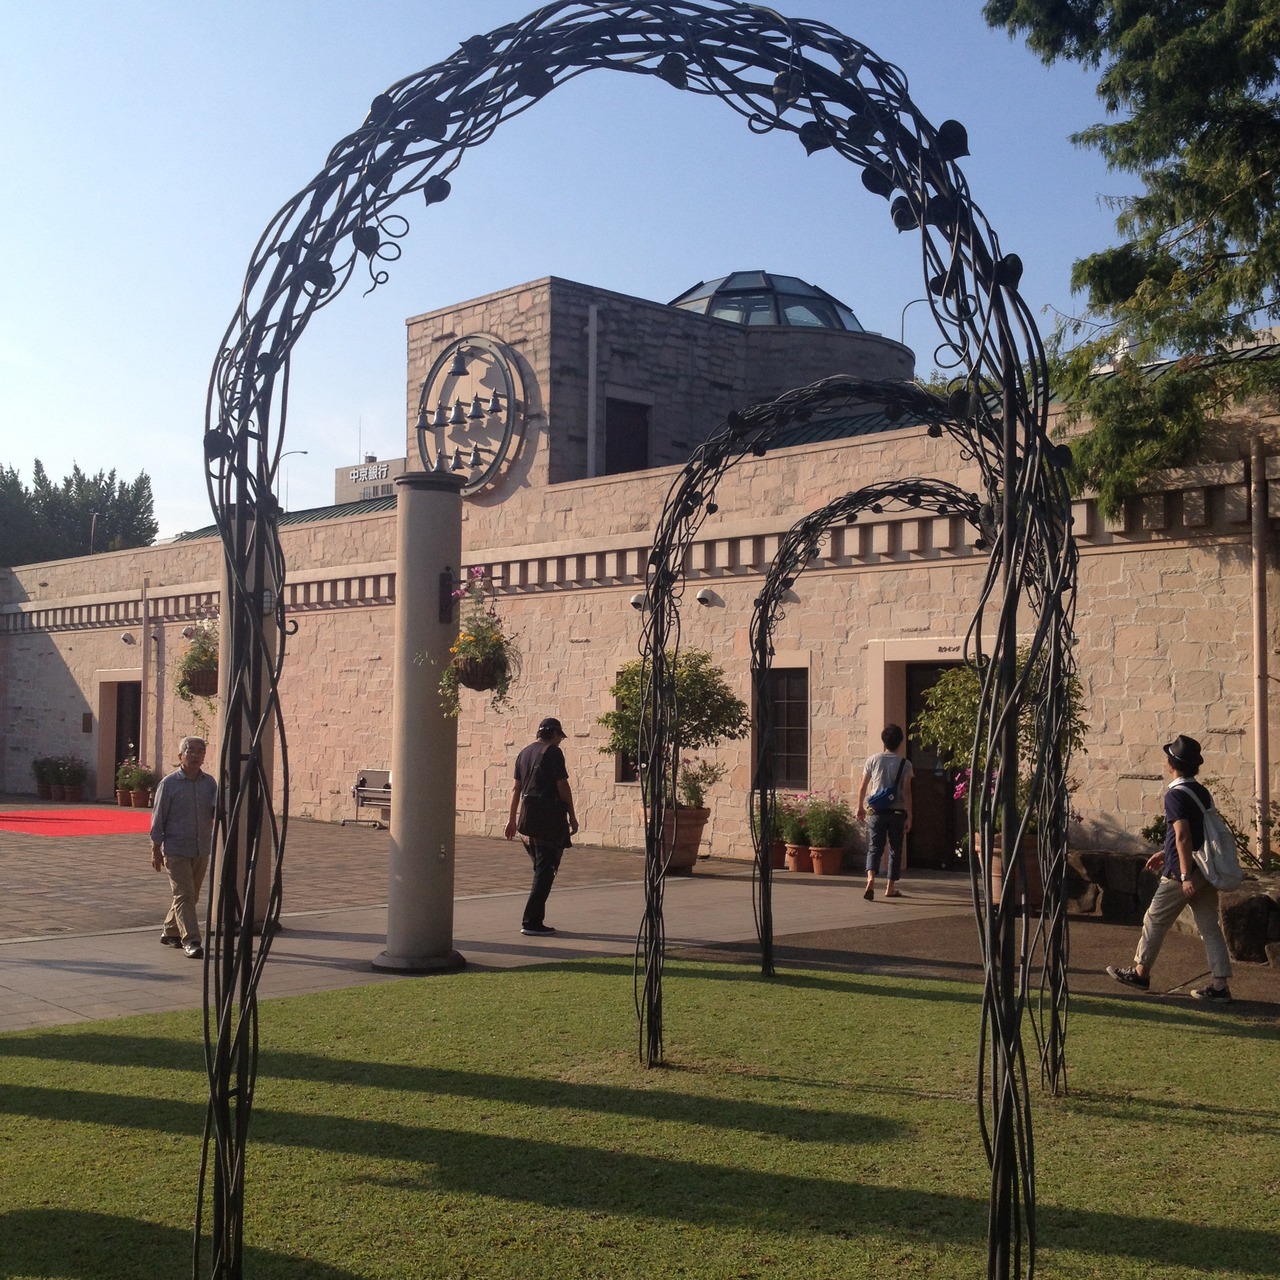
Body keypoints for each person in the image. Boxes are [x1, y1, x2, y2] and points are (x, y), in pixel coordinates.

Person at [1107, 734, 1233, 1003]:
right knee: (1209, 927)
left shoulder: (1175, 795)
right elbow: (1196, 834)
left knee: (1155, 919)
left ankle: (1140, 973)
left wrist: (1184, 875)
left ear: (1172, 764)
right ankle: (1220, 984)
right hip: (1205, 869)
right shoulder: (1201, 792)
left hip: (1181, 874)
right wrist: (1165, 853)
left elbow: (1183, 836)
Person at [504, 717, 579, 936]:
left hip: (527, 821)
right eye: (560, 737)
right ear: (554, 734)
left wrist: (512, 819)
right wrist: (572, 816)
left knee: (541, 869)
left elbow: (516, 789)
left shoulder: (524, 753)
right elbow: (562, 786)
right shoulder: (553, 752)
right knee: (546, 870)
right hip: (548, 820)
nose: (560, 741)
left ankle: (533, 919)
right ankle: (532, 922)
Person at [150, 736, 218, 959]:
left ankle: (170, 930)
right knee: (185, 894)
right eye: (191, 751)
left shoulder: (209, 783)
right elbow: (158, 817)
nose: (196, 755)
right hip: (176, 849)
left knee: (190, 896)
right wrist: (155, 848)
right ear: (181, 756)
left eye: (200, 751)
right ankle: (191, 940)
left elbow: (216, 810)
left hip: (201, 848)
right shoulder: (169, 784)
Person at [856, 724, 914, 901]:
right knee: (895, 849)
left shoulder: (873, 760)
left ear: (884, 740)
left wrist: (859, 807)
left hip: (877, 811)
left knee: (875, 847)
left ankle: (871, 879)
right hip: (897, 812)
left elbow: (862, 786)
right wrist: (910, 815)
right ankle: (890, 887)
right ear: (900, 742)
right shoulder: (905, 764)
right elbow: (906, 790)